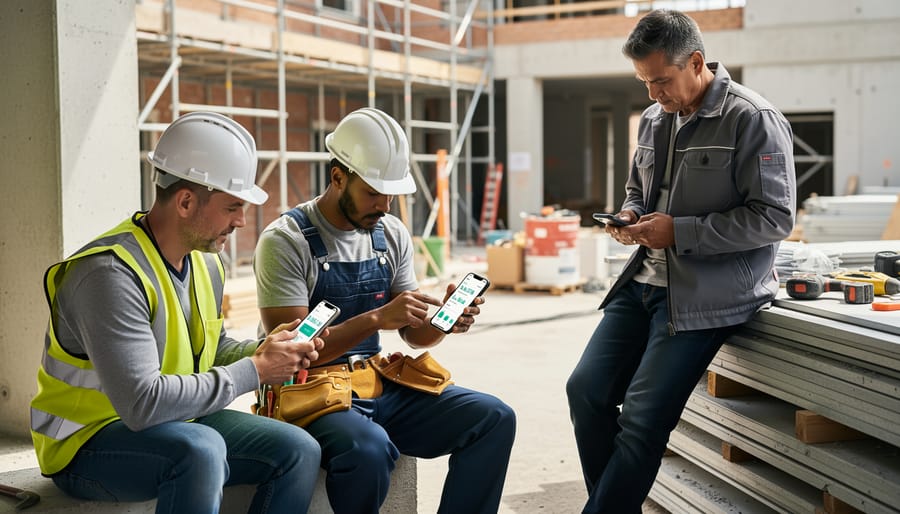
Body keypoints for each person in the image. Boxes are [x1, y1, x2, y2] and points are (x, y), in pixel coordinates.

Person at [30, 112, 325, 514]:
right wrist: (256, 370)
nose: (242, 220)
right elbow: (143, 404)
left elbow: (210, 348)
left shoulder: (206, 262)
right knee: (200, 451)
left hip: (176, 422)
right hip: (87, 443)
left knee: (300, 449)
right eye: (232, 207)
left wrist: (266, 351)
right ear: (185, 201)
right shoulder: (109, 275)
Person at [566, 9, 796, 513]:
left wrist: (681, 232)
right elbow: (638, 188)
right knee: (585, 391)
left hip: (704, 295)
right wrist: (630, 214)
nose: (653, 95)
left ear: (696, 62)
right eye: (644, 83)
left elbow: (775, 218)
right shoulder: (654, 118)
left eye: (661, 81)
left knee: (643, 419)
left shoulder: (752, 119)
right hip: (642, 283)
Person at [253, 107, 516, 514]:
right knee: (369, 450)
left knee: (494, 418)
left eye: (391, 193)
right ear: (338, 176)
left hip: (375, 385)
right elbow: (289, 357)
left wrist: (443, 320)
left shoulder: (390, 233)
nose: (385, 205)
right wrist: (376, 319)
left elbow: (414, 335)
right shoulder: (286, 240)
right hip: (308, 394)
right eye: (373, 192)